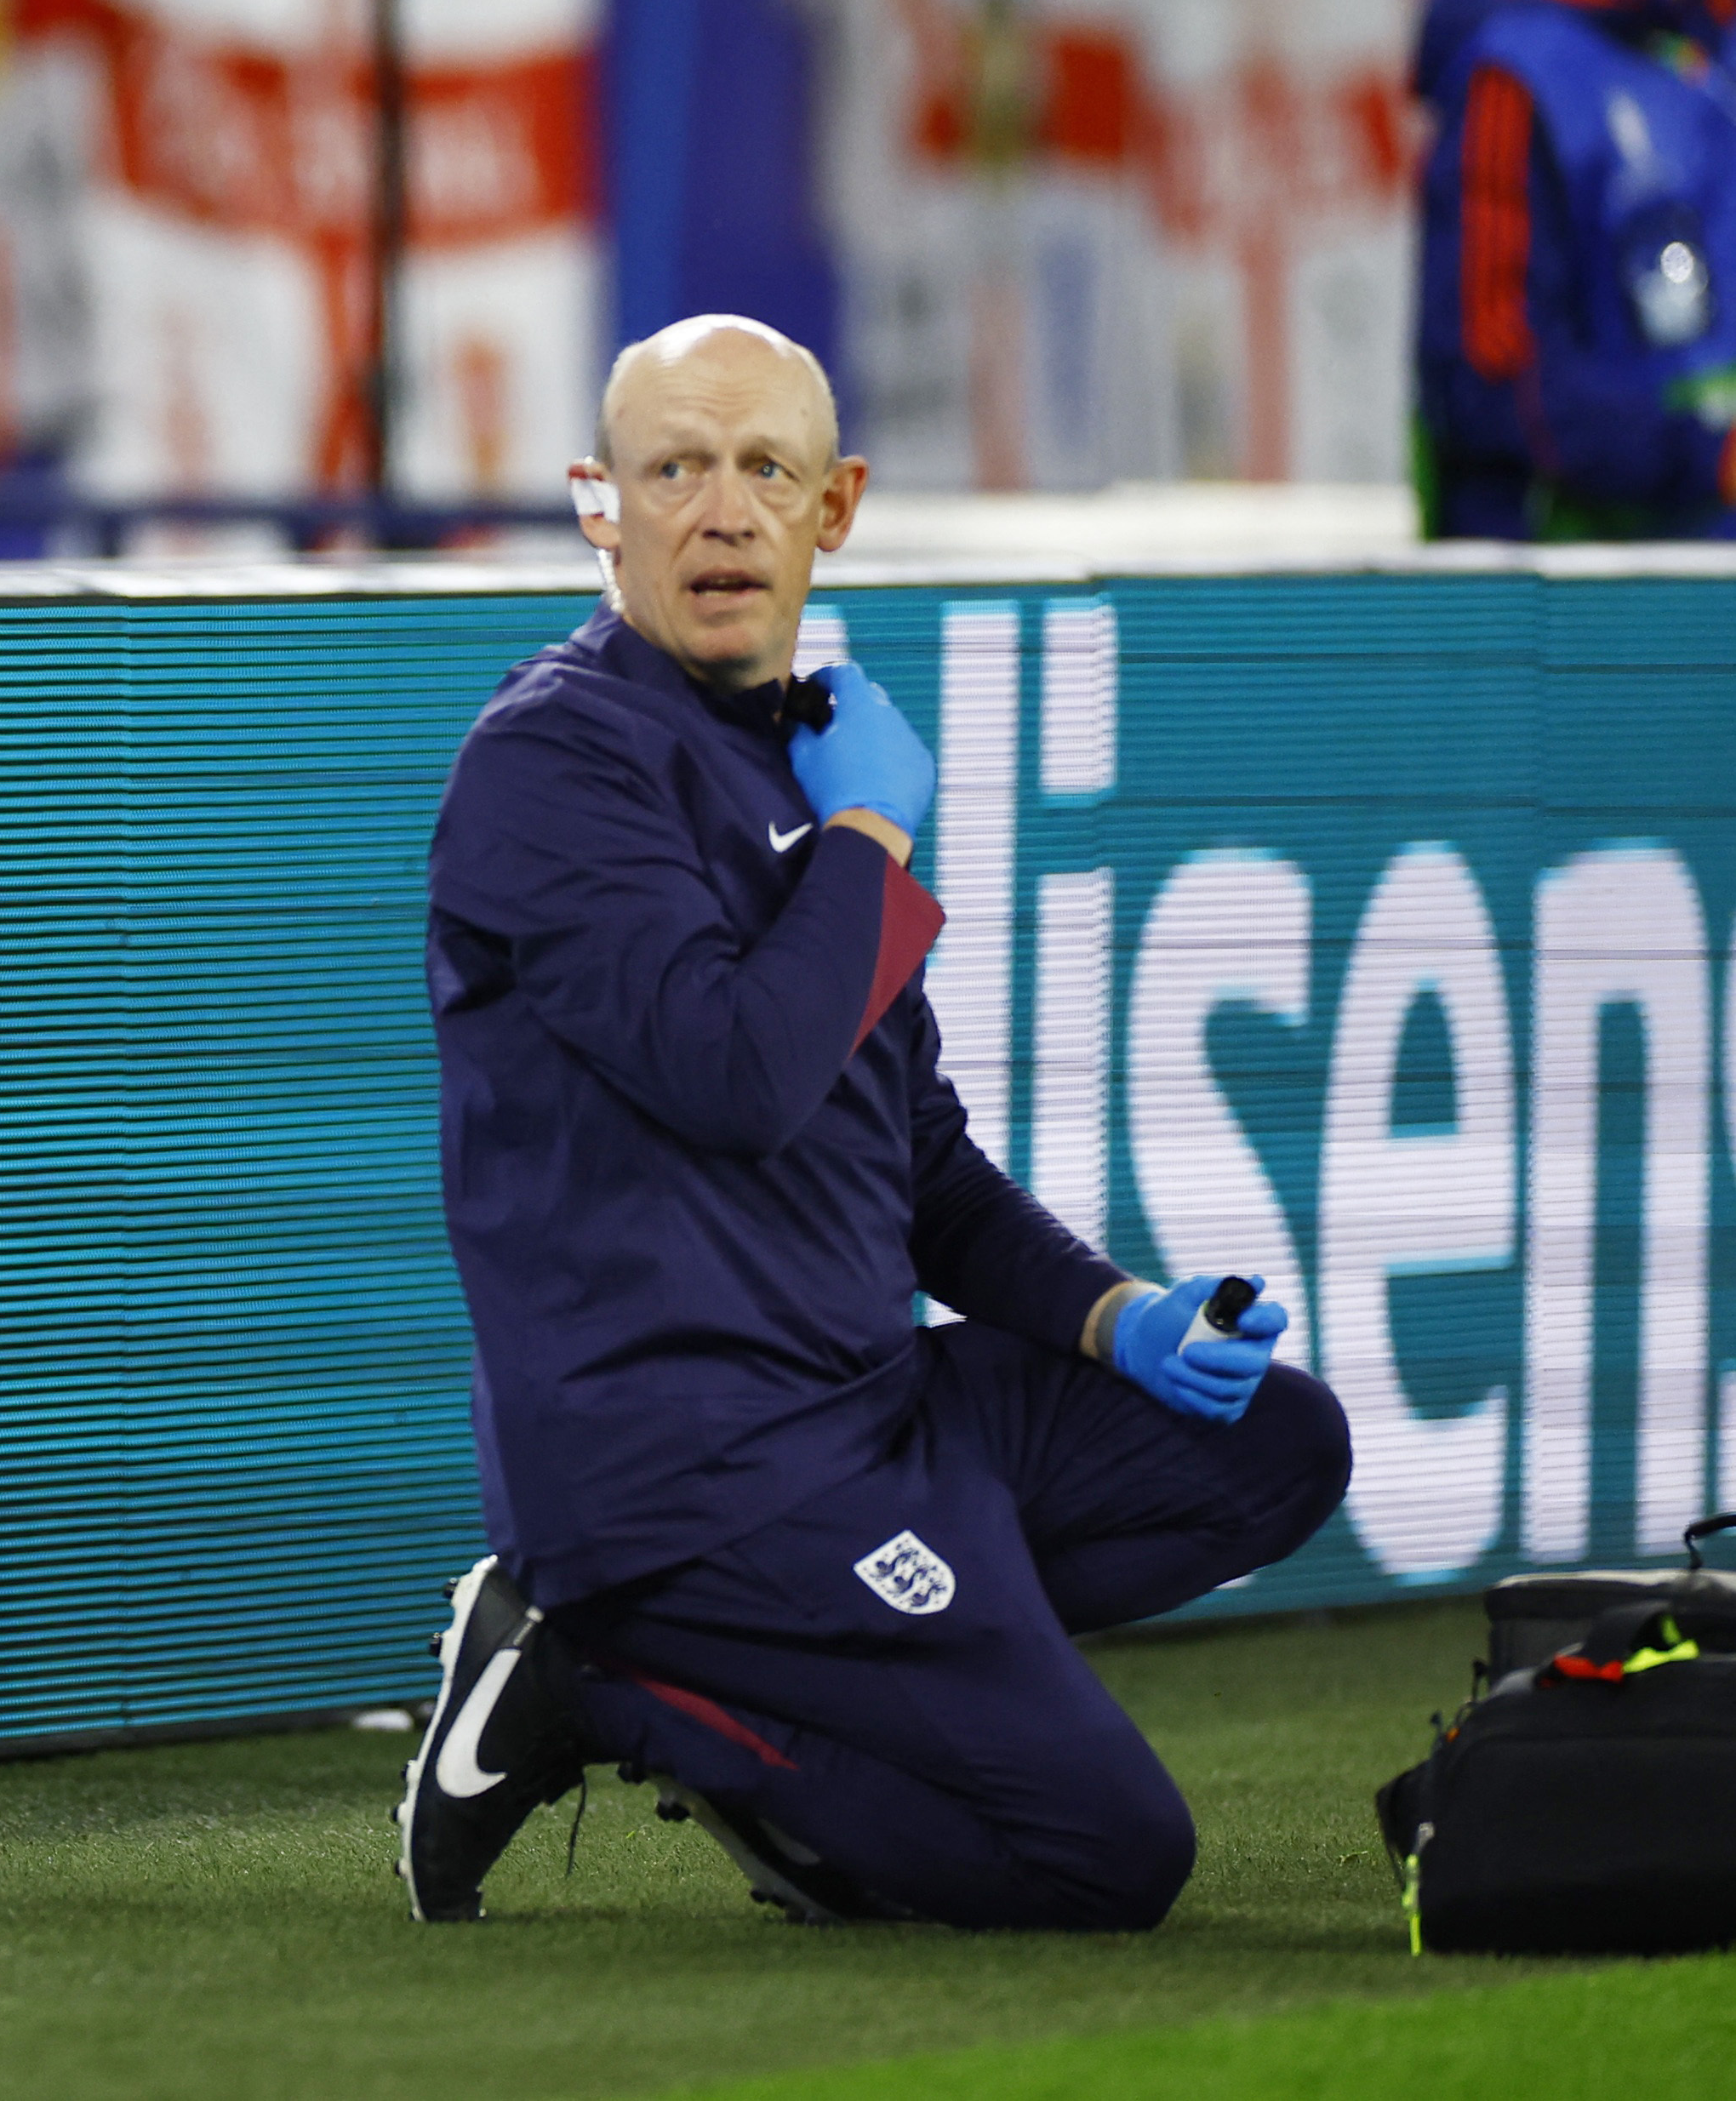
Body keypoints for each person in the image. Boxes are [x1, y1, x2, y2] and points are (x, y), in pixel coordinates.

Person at [398, 315, 1351, 1932]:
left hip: (867, 1409)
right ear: (596, 504)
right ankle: (595, 1672)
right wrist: (868, 835)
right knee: (1111, 1855)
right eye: (673, 469)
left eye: (763, 469)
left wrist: (1117, 1319)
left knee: (1274, 1444)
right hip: (689, 1471)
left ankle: (886, 1671)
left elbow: (914, 1160)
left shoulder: (807, 760)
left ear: (831, 507)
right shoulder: (554, 762)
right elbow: (738, 1074)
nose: (720, 511)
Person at [1413, 0, 1736, 540]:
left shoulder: (1715, 38)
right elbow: (1492, 382)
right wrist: (1704, 456)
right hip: (1583, 623)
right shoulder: (1514, 72)